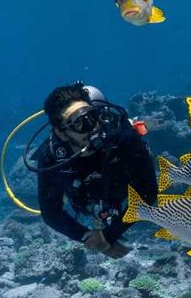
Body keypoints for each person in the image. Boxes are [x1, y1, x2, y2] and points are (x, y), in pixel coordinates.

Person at [36, 83, 158, 258]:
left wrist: (108, 236)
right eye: (78, 123)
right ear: (61, 133)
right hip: (86, 198)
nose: (92, 127)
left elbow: (148, 192)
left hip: (123, 186)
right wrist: (86, 236)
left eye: (91, 117)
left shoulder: (120, 133)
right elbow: (51, 213)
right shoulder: (51, 157)